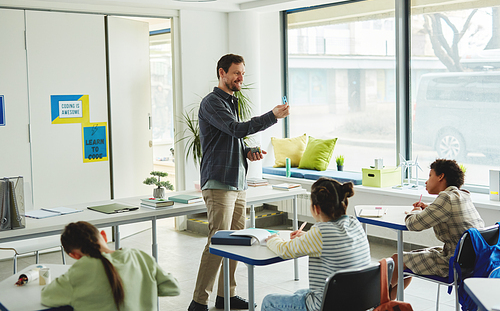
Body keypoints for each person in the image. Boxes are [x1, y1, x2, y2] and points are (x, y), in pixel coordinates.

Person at [188, 54, 290, 311]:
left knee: (235, 241)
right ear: (221, 73)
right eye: (236, 73)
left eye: (243, 73)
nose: (241, 78)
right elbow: (235, 129)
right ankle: (199, 302)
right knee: (217, 240)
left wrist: (246, 151)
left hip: (237, 181)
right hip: (219, 182)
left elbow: (229, 138)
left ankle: (226, 297)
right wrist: (272, 116)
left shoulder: (231, 102)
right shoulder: (212, 102)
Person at [261, 177, 371, 311]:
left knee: (269, 301)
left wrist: (273, 239)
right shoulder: (354, 223)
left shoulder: (320, 232)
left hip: (327, 306)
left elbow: (285, 250)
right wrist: (307, 237)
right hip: (357, 302)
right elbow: (332, 239)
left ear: (316, 208)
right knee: (300, 293)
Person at [390, 159, 484, 300]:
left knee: (396, 260)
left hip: (452, 263)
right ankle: (385, 304)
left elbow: (413, 225)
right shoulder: (463, 195)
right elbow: (450, 213)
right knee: (404, 263)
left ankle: (378, 301)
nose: (426, 182)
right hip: (471, 262)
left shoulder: (445, 198)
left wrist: (415, 211)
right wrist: (429, 208)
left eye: (429, 176)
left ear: (441, 176)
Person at [41, 221, 180, 311]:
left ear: (74, 255)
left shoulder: (79, 270)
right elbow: (173, 288)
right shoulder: (140, 256)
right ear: (104, 236)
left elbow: (47, 296)